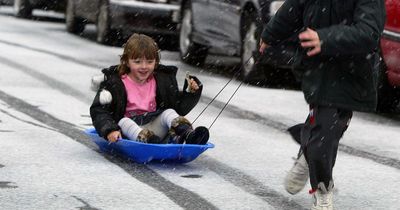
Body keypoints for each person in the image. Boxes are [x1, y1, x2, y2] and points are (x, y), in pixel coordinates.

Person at [259, 0, 385, 209]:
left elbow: (368, 32)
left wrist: (324, 38)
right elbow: (293, 8)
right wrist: (269, 34)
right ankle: (322, 189)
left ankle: (307, 155)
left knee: (332, 128)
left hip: (352, 72)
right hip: (317, 67)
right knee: (325, 129)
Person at [90, 33, 209, 145]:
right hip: (128, 133)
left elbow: (178, 108)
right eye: (137, 62)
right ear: (126, 62)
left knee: (169, 112)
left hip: (155, 128)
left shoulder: (162, 81)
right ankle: (149, 141)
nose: (144, 67)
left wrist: (191, 93)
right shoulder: (114, 83)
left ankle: (188, 135)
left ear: (156, 62)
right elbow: (99, 111)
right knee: (123, 121)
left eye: (150, 62)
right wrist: (110, 130)